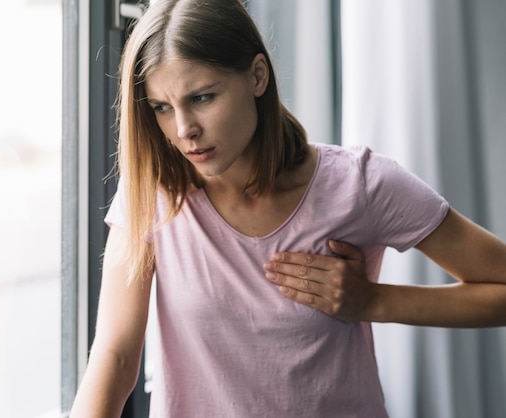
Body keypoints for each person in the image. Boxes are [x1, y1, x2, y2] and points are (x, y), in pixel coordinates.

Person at [69, 0, 506, 416]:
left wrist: (375, 301)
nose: (185, 130)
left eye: (202, 97)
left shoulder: (362, 184)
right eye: (164, 108)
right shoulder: (153, 190)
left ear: (257, 76)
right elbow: (117, 353)